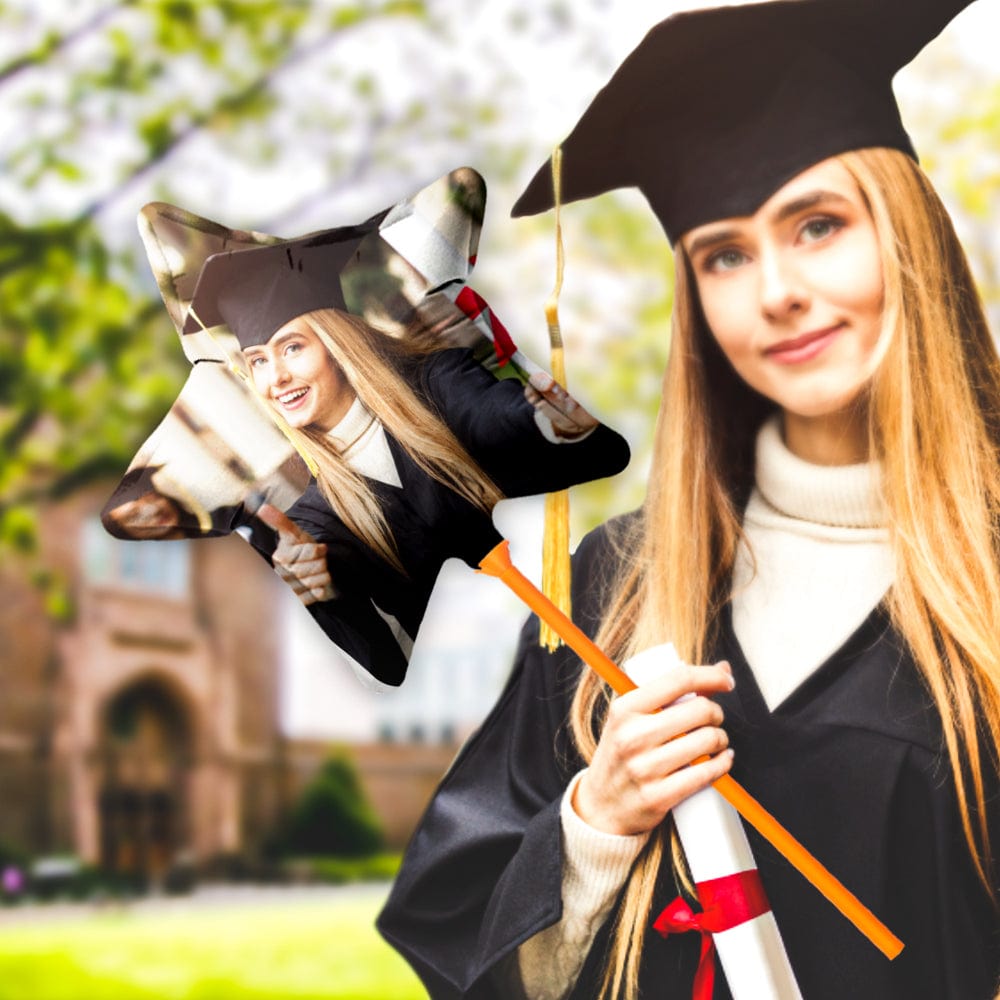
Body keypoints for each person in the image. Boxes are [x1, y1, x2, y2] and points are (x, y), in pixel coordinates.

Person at [378, 0, 1000, 996]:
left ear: (908, 238)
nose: (775, 292)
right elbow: (469, 942)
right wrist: (594, 822)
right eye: (725, 254)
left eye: (818, 225)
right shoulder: (615, 586)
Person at [184, 235, 630, 685]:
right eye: (257, 361)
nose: (276, 377)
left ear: (337, 344)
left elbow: (488, 414)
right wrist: (321, 590)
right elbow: (381, 654)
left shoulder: (437, 385)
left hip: (600, 596)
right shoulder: (318, 519)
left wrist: (537, 420)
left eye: (292, 348)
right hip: (492, 674)